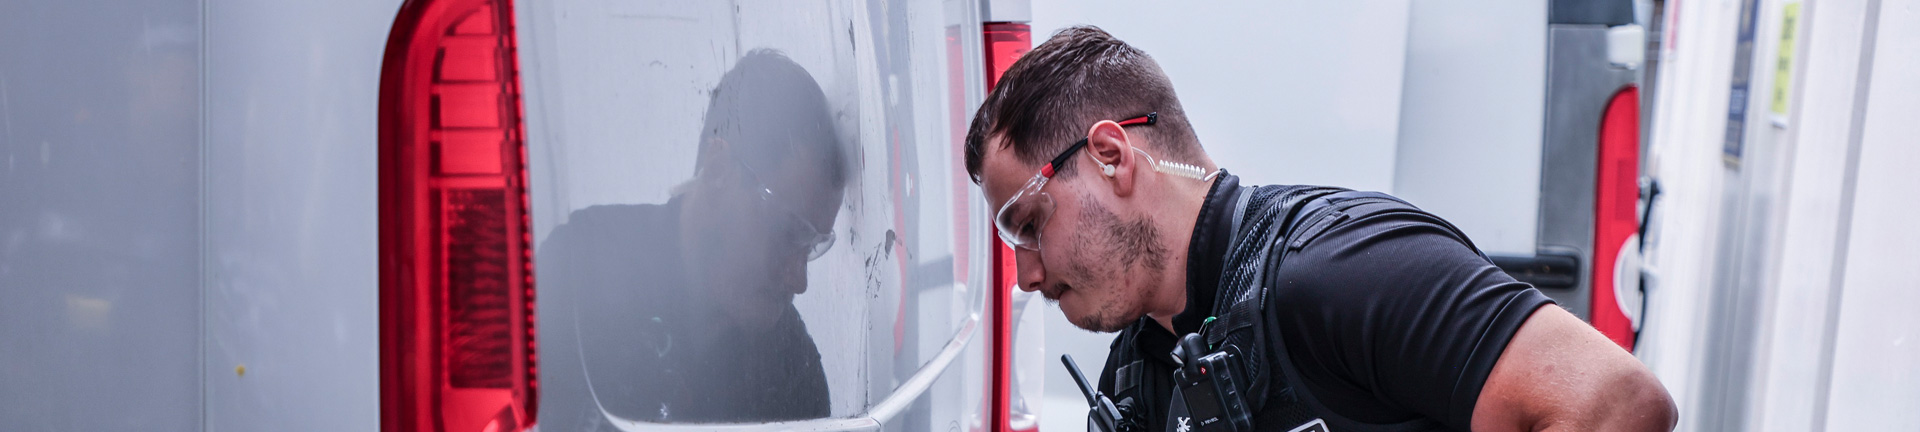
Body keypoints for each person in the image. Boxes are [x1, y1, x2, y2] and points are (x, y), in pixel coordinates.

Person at [965, 26, 1677, 432]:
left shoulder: (1337, 268)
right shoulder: (1139, 372)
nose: (1026, 274)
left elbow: (1616, 404)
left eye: (1029, 223)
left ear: (1114, 156)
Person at [536, 50, 848, 428]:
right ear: (718, 172)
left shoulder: (792, 375)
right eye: (787, 233)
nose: (799, 281)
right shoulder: (579, 271)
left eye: (812, 247)